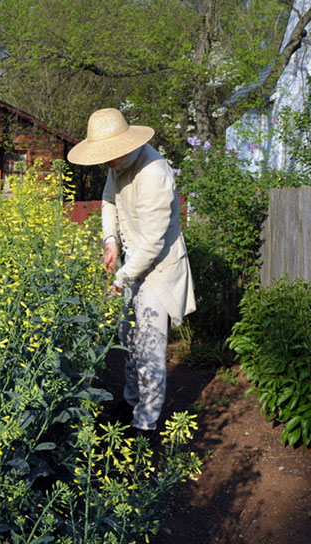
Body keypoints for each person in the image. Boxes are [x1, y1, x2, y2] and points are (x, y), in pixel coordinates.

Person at [67, 108, 196, 434]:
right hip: (131, 263)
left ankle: (145, 424)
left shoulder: (154, 173)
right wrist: (110, 241)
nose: (106, 162)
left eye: (109, 154)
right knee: (128, 340)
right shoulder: (118, 164)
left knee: (150, 349)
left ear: (126, 145)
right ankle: (131, 400)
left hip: (158, 270)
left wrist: (120, 279)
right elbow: (109, 200)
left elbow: (152, 244)